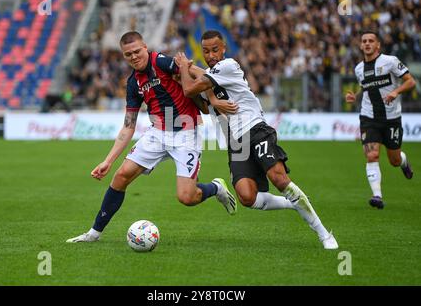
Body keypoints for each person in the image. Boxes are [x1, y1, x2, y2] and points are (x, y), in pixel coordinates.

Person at [66, 31, 237, 243]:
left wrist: (213, 98)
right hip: (157, 134)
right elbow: (128, 126)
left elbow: (200, 73)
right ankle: (94, 233)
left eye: (137, 51)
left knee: (187, 197)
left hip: (186, 133)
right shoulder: (132, 83)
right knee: (120, 177)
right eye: (128, 54)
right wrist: (108, 161)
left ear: (145, 47)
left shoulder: (162, 62)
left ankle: (216, 188)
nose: (134, 57)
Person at [174, 30, 338, 249]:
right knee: (247, 197)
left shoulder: (228, 65)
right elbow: (203, 104)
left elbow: (189, 89)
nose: (211, 55)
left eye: (215, 50)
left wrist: (184, 68)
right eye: (205, 51)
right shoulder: (210, 76)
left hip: (255, 129)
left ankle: (324, 233)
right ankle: (295, 203)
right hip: (235, 141)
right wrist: (211, 99)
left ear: (224, 49)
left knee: (279, 179)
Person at [345, 30, 415, 209]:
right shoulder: (359, 68)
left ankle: (403, 160)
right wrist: (356, 96)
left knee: (394, 160)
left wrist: (395, 92)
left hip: (392, 118)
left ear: (378, 45)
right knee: (372, 154)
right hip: (369, 117)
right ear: (361, 46)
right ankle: (377, 195)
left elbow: (410, 82)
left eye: (371, 41)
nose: (367, 43)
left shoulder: (390, 61)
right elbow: (367, 87)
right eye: (364, 41)